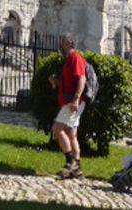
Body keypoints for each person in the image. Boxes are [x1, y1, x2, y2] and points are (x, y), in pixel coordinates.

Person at [49, 33, 87, 179]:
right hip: (72, 100)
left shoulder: (75, 58)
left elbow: (81, 79)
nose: (61, 45)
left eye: (63, 42)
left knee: (57, 128)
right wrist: (57, 82)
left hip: (73, 102)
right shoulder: (69, 59)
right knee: (71, 134)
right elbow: (69, 83)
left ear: (69, 43)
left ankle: (70, 162)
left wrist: (76, 99)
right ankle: (77, 168)